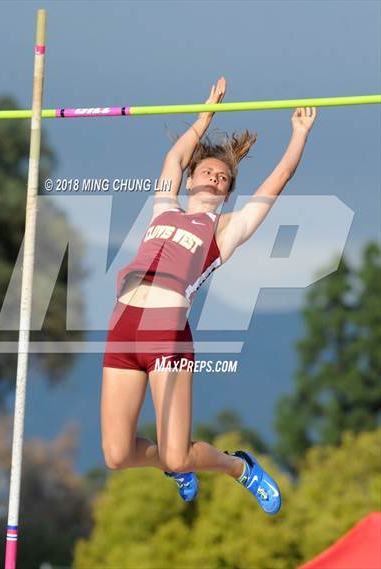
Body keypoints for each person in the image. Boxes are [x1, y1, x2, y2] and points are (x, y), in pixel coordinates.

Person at [101, 77, 317, 514]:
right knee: (117, 455)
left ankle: (239, 468)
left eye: (223, 178)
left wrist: (298, 136)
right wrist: (204, 119)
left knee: (177, 451)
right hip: (123, 329)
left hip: (166, 338)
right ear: (191, 179)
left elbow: (276, 181)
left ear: (226, 192)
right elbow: (173, 157)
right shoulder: (164, 207)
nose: (215, 178)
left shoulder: (224, 230)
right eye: (207, 172)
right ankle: (174, 466)